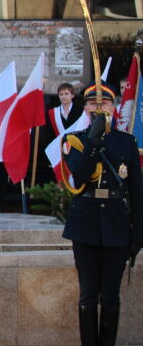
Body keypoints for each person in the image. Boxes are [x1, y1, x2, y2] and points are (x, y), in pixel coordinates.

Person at [61, 82, 142, 346]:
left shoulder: (126, 143)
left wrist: (138, 234)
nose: (99, 109)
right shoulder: (74, 140)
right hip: (86, 225)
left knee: (110, 296)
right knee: (87, 296)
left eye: (104, 104)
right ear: (85, 108)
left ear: (114, 107)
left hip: (117, 225)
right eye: (93, 104)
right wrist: (93, 141)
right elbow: (81, 174)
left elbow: (137, 191)